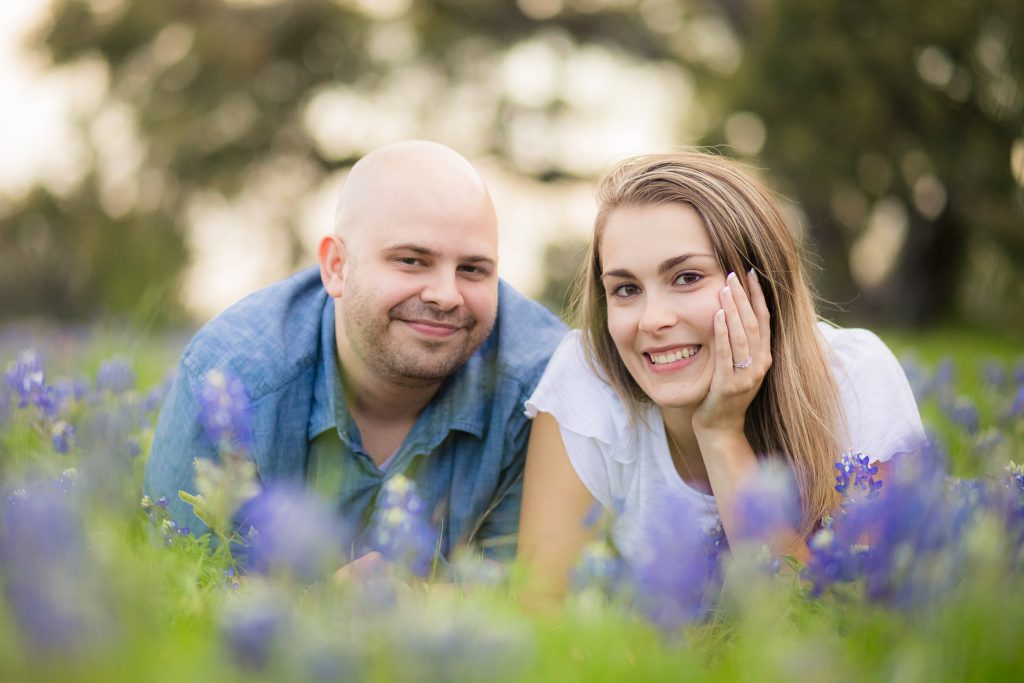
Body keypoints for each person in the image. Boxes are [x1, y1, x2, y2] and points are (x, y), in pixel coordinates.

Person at [517, 151, 925, 602]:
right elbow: (543, 620)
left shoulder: (854, 376)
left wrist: (721, 433)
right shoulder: (587, 377)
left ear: (762, 284)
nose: (652, 320)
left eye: (687, 277)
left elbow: (857, 623)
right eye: (626, 289)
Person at [144, 140, 567, 565]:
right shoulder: (230, 376)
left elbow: (532, 599)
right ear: (336, 266)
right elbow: (180, 589)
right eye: (411, 261)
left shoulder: (544, 383)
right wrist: (314, 608)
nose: (445, 296)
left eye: (473, 269)